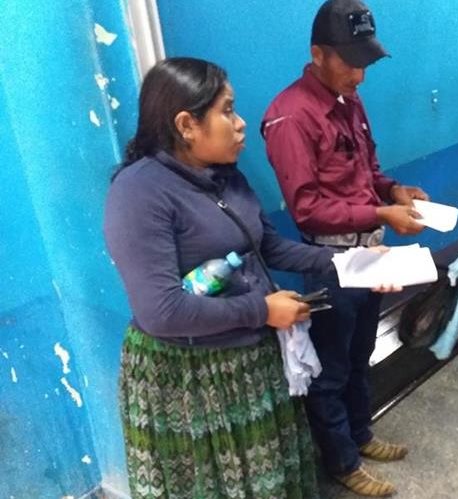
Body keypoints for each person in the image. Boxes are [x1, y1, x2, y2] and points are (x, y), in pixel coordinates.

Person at [105, 57, 377, 499]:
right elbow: (161, 312)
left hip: (250, 364)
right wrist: (262, 310)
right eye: (227, 111)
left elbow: (268, 247)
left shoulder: (226, 177)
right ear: (186, 124)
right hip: (190, 381)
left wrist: (353, 261)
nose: (242, 123)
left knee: (266, 482)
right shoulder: (138, 193)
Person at [261, 1, 428, 495]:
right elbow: (308, 209)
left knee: (361, 352)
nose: (360, 75)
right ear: (318, 54)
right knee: (330, 367)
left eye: (365, 63)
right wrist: (381, 213)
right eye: (351, 63)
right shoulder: (289, 117)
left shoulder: (347, 100)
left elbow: (366, 172)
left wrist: (393, 191)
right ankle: (341, 460)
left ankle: (360, 434)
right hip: (331, 261)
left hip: (371, 254)